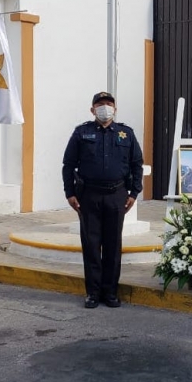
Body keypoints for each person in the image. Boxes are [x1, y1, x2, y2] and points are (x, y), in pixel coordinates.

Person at [62, 91, 144, 309]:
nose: (104, 107)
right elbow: (68, 165)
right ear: (92, 109)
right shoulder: (82, 133)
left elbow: (137, 164)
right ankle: (93, 293)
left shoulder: (126, 133)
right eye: (100, 104)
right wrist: (69, 193)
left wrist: (134, 193)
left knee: (112, 246)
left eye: (109, 104)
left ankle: (110, 292)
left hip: (117, 195)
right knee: (91, 246)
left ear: (115, 109)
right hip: (88, 196)